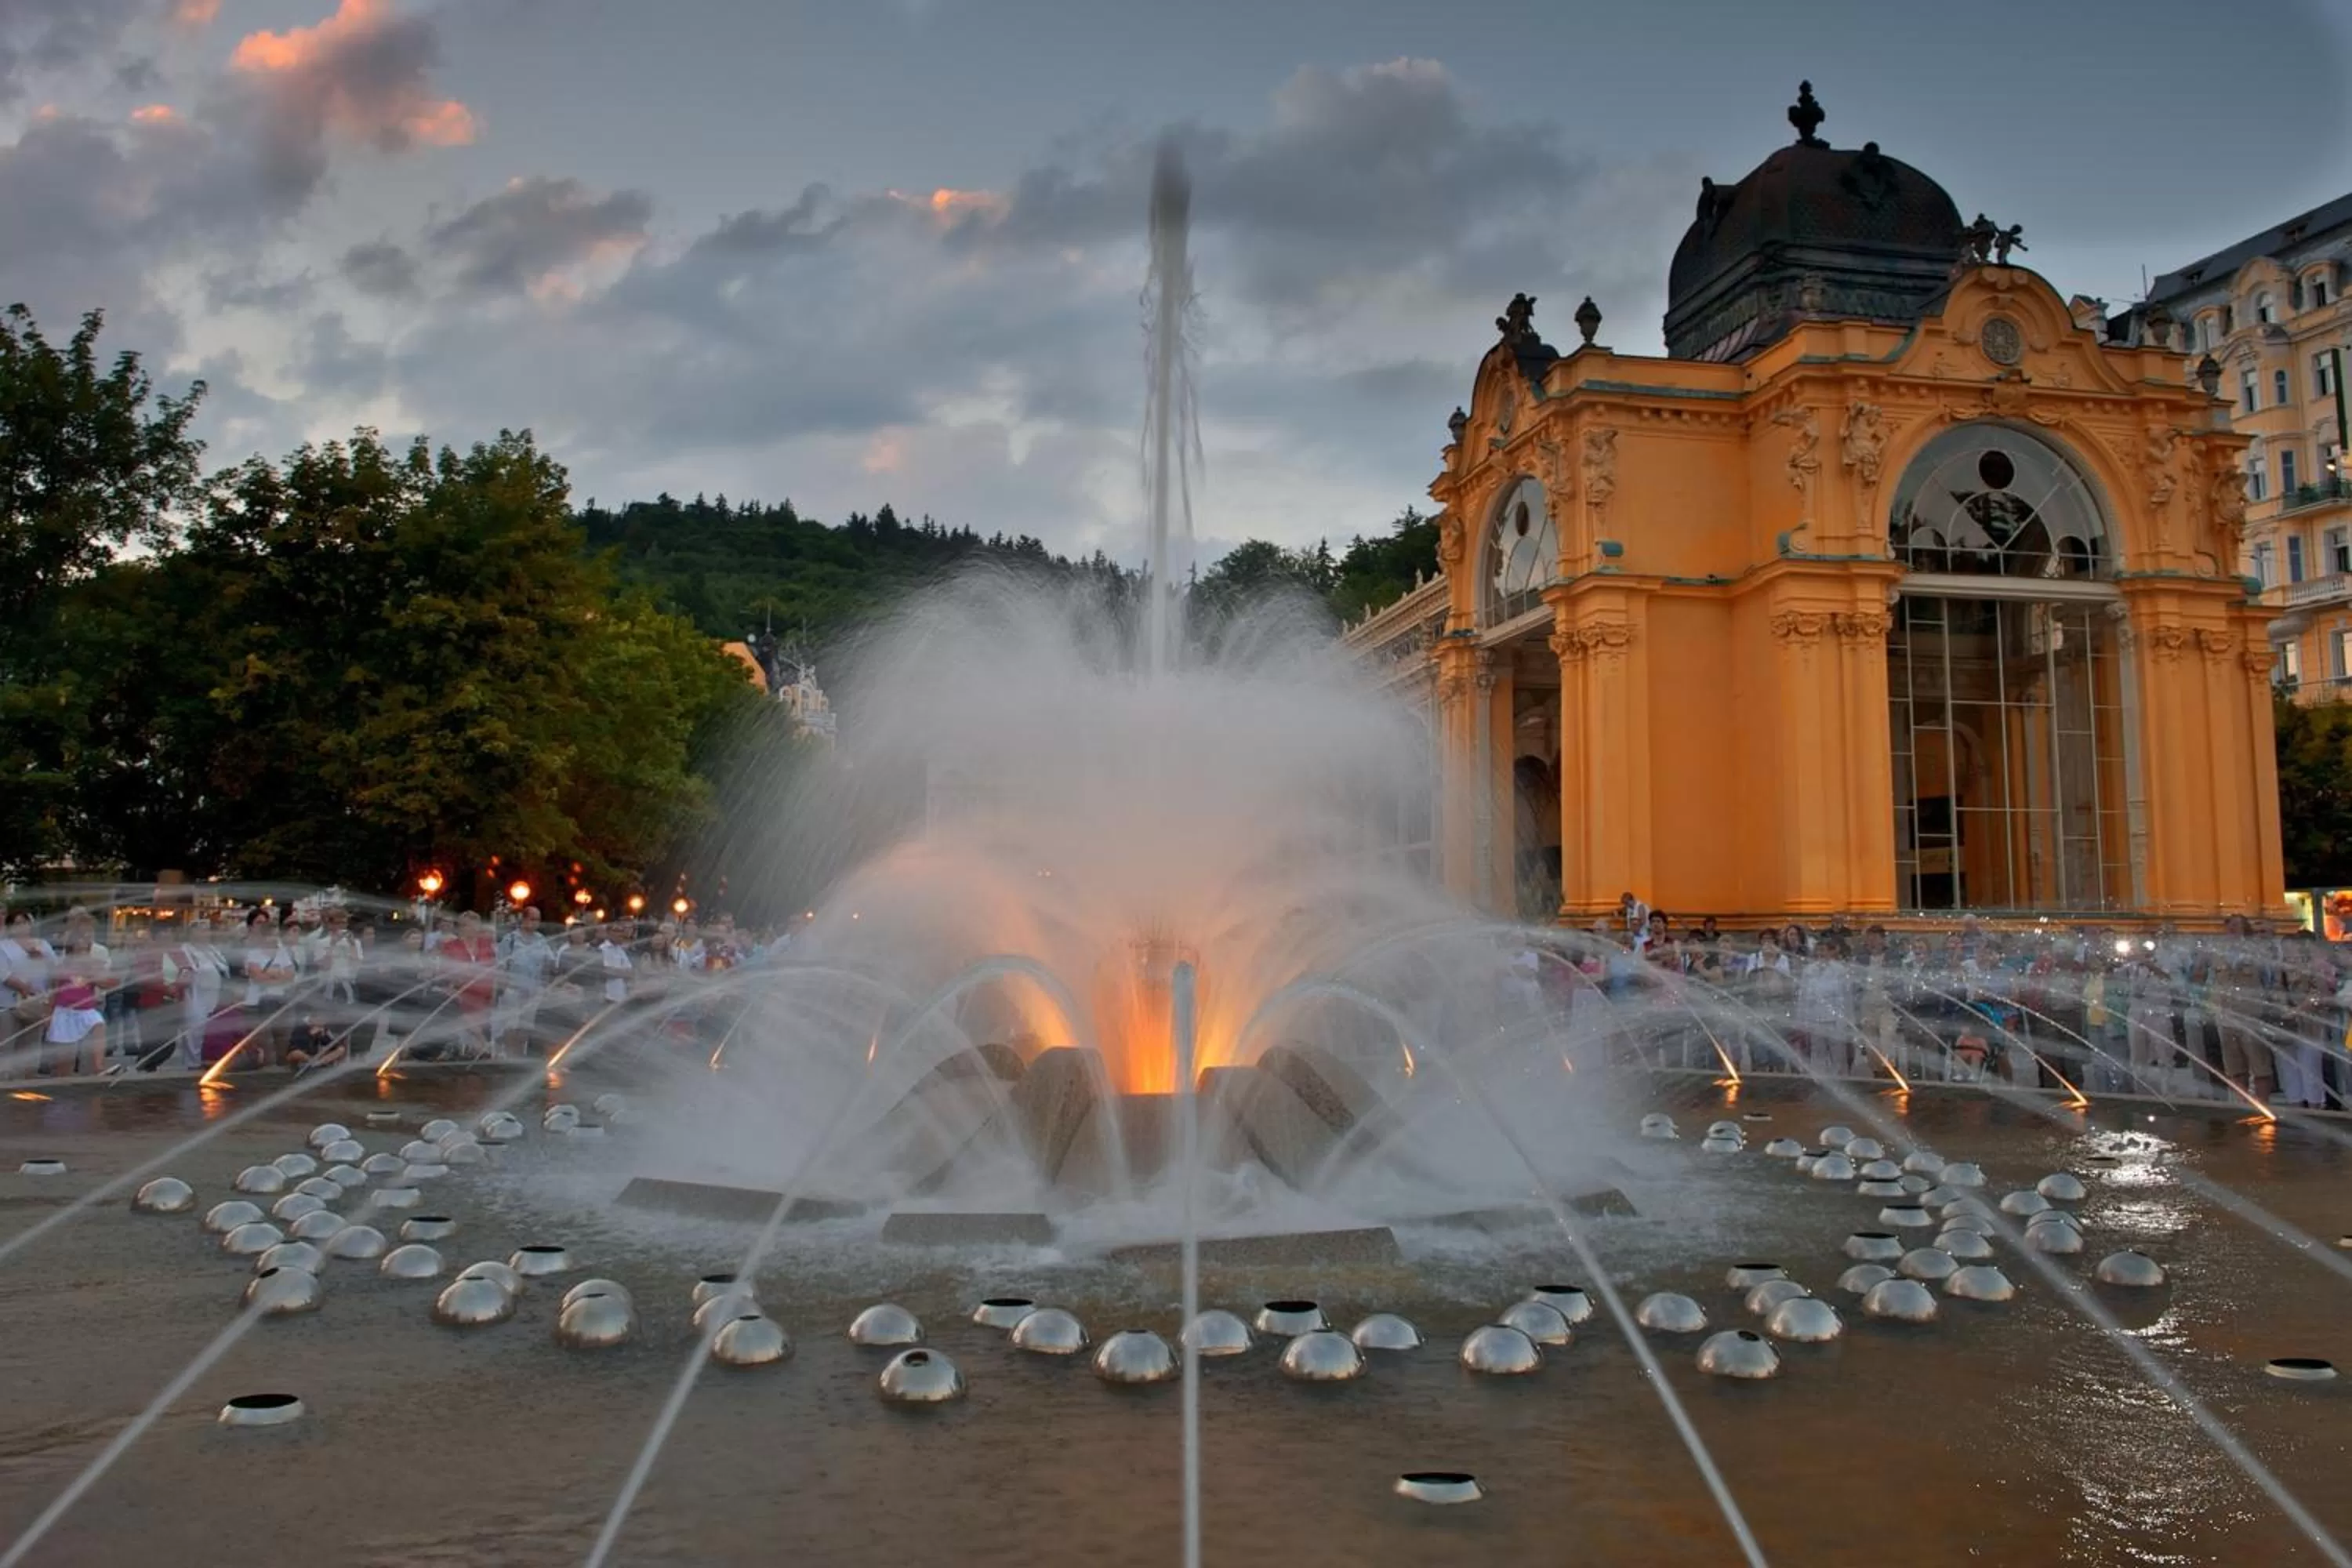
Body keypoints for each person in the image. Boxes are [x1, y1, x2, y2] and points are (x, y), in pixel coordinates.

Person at [45, 914, 111, 1075]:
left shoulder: (93, 964)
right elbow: (54, 991)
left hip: (86, 1010)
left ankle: (99, 1066)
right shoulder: (62, 965)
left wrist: (94, 977)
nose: (82, 946)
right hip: (65, 1012)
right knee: (65, 1063)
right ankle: (62, 1089)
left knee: (99, 1024)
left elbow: (108, 983)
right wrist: (48, 1015)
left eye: (85, 944)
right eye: (78, 943)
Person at [168, 919, 231, 1071]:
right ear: (191, 933)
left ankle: (209, 1061)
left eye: (207, 930)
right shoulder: (185, 950)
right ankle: (192, 1064)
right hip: (196, 996)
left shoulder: (213, 950)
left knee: (213, 1032)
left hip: (216, 996)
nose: (205, 933)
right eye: (201, 930)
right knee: (194, 1031)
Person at [239, 909, 299, 1065]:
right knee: (265, 1042)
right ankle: (267, 1071)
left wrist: (270, 975)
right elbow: (258, 977)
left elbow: (290, 975)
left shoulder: (283, 953)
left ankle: (279, 1070)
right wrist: (278, 975)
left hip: (280, 1000)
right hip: (258, 1004)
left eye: (276, 935)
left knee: (283, 1040)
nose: (274, 939)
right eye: (271, 935)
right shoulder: (253, 954)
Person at [496, 905, 557, 1054]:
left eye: (538, 920)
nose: (536, 923)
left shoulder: (541, 939)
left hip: (533, 991)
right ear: (524, 919)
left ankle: (519, 1055)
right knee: (511, 1025)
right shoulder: (510, 939)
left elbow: (549, 962)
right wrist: (504, 988)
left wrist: (546, 983)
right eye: (533, 919)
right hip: (513, 991)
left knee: (526, 1027)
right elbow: (500, 966)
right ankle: (508, 1055)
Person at [2, 909, 57, 1069]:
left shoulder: (42, 945)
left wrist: (41, 959)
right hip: (10, 1005)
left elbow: (55, 971)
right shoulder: (4, 947)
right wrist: (25, 988)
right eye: (16, 923)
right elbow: (4, 975)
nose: (21, 927)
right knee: (8, 1048)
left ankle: (24, 1084)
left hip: (36, 1004)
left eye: (24, 923)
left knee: (31, 1048)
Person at [441, 911, 499, 1058]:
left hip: (483, 996)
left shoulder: (486, 945)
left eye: (474, 925)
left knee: (483, 1027)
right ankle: (481, 1044)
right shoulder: (451, 946)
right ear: (460, 928)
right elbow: (446, 970)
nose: (471, 929)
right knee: (465, 1023)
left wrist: (494, 992)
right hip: (461, 995)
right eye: (466, 925)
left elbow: (493, 969)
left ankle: (482, 1048)